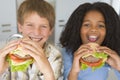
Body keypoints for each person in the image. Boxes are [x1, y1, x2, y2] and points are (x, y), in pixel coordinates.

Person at [0, 0, 63, 80]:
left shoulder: (55, 55)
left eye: (43, 26)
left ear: (50, 30)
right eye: (30, 25)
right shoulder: (7, 52)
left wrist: (47, 71)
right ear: (20, 27)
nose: (37, 32)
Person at [60, 2, 120, 80]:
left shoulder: (111, 52)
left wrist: (119, 66)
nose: (93, 29)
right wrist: (75, 70)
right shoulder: (67, 52)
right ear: (77, 28)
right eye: (87, 24)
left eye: (101, 25)